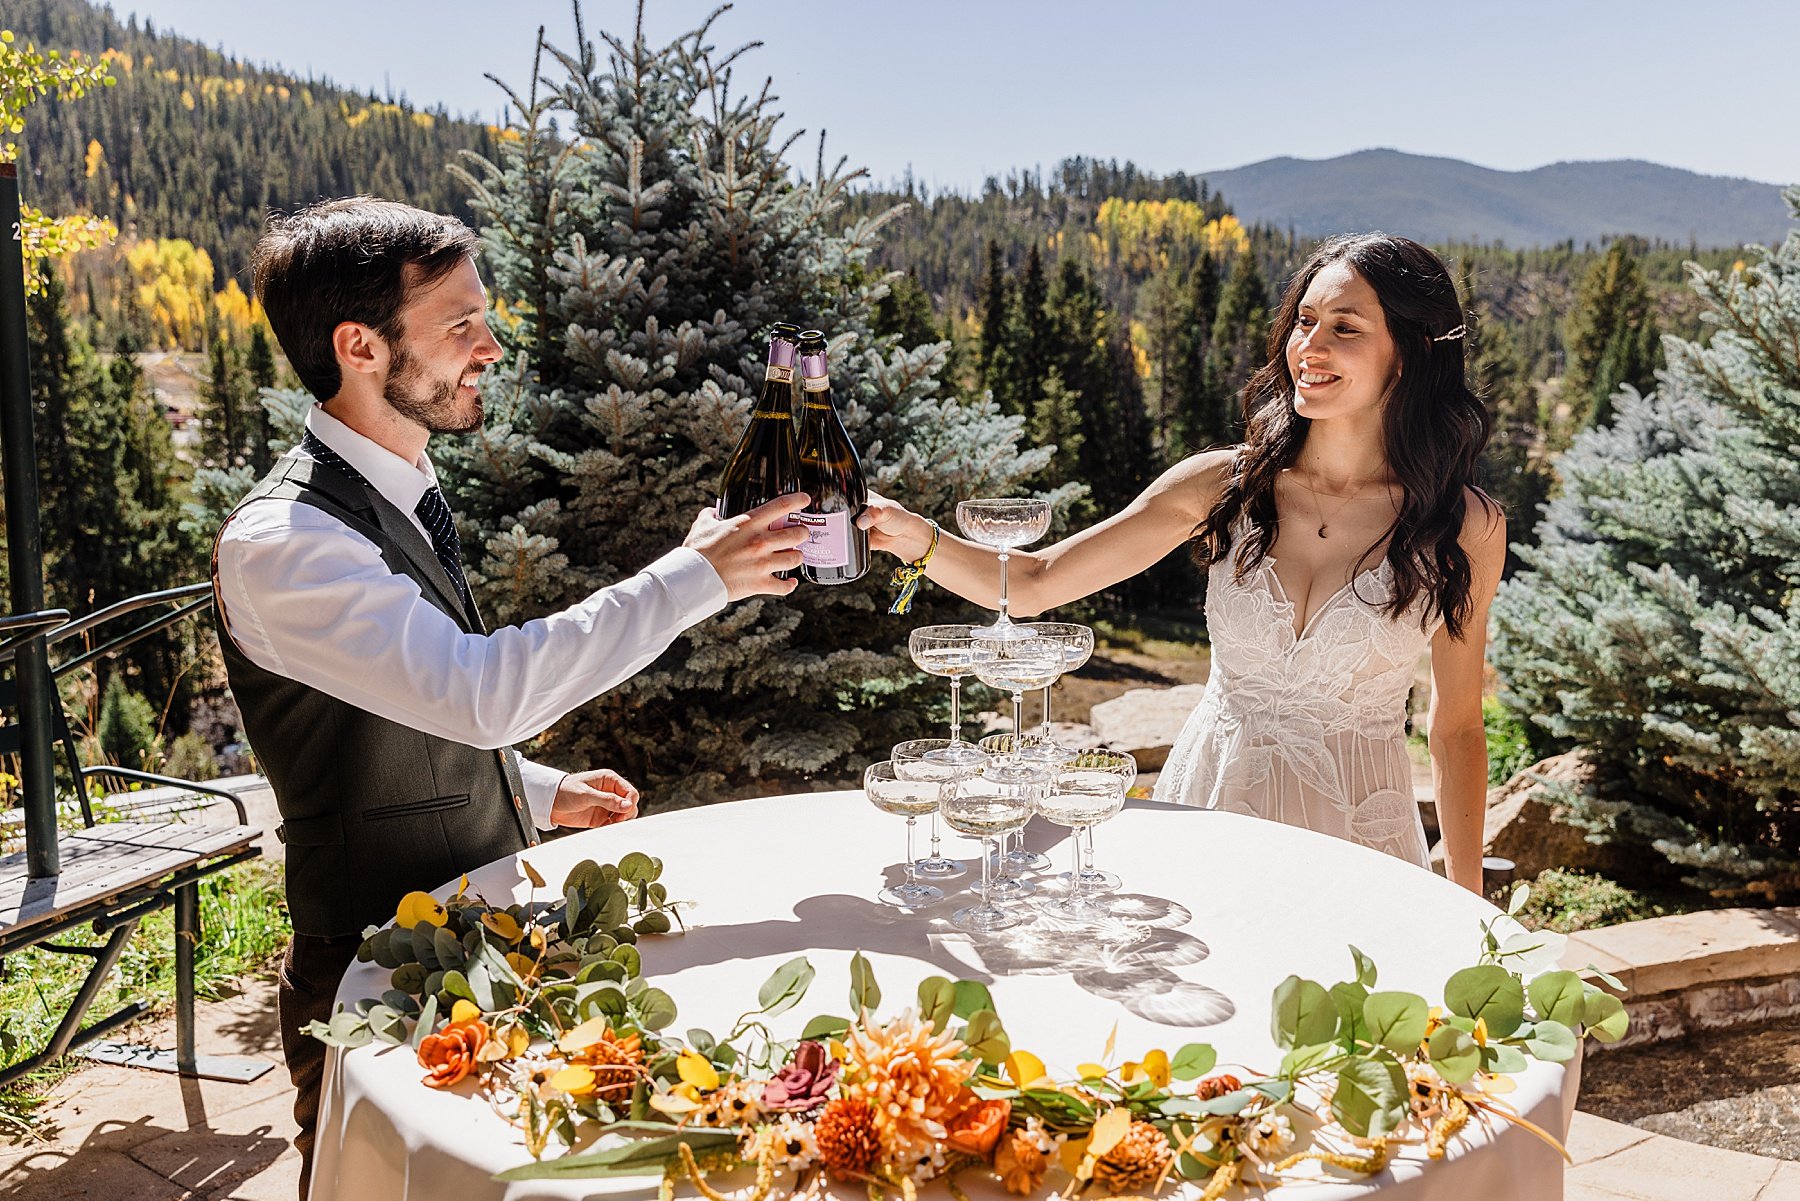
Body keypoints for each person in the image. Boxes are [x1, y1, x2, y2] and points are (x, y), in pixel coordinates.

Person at [211, 196, 808, 1196]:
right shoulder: (285, 542)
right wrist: (699, 574)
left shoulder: (400, 489)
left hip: (487, 941)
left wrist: (528, 786)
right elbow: (480, 693)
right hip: (376, 976)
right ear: (359, 346)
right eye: (460, 326)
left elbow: (410, 702)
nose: (490, 346)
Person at [861, 233, 1504, 893]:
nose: (1310, 347)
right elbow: (1034, 584)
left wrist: (1468, 907)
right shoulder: (1220, 487)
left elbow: (1455, 730)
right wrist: (917, 538)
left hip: (1362, 848)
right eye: (1305, 321)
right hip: (1210, 817)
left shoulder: (1463, 526)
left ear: (1413, 352)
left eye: (1345, 328)